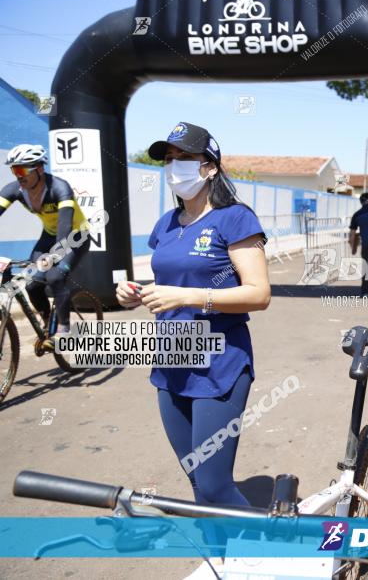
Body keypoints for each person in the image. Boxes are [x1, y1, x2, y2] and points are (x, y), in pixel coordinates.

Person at [115, 122, 270, 578]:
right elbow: (169, 283)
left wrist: (189, 298)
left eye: (181, 158)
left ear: (208, 166)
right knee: (196, 481)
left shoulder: (235, 218)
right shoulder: (166, 224)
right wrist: (136, 295)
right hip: (172, 363)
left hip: (219, 364)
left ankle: (262, 558)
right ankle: (221, 563)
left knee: (216, 484)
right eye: (166, 159)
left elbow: (258, 293)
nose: (171, 167)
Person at [0, 144, 91, 348]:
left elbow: (65, 224)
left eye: (22, 169)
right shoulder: (15, 190)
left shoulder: (59, 188)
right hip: (49, 235)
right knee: (32, 283)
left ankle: (64, 329)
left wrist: (55, 256)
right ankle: (49, 321)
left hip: (76, 236)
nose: (18, 175)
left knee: (55, 276)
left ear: (39, 169)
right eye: (14, 170)